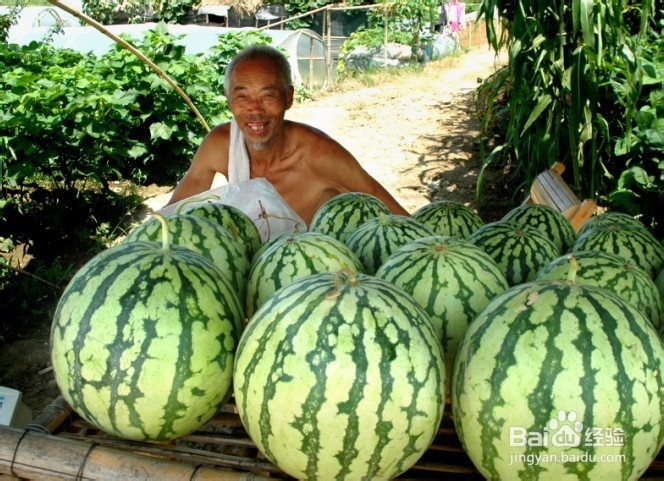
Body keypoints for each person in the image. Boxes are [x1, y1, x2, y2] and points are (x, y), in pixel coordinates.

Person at [166, 44, 409, 227]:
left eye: (267, 95)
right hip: (253, 266)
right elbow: (172, 214)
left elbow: (393, 213)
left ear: (289, 98)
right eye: (242, 96)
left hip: (315, 273)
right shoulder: (221, 145)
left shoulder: (320, 154)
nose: (255, 109)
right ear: (228, 99)